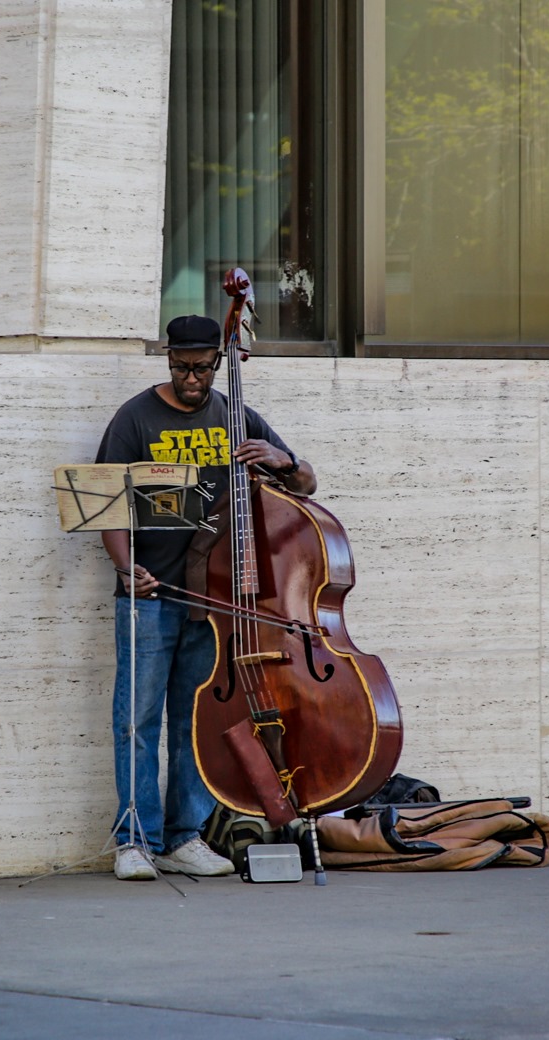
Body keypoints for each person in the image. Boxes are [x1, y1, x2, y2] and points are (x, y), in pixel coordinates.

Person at [94, 313, 317, 880]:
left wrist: (281, 461)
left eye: (201, 367)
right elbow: (103, 503)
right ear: (168, 360)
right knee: (136, 721)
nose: (191, 378)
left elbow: (307, 483)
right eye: (181, 366)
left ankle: (183, 836)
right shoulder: (135, 416)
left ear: (219, 362)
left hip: (212, 602)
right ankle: (134, 841)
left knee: (192, 722)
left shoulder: (235, 414)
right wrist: (127, 569)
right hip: (149, 594)